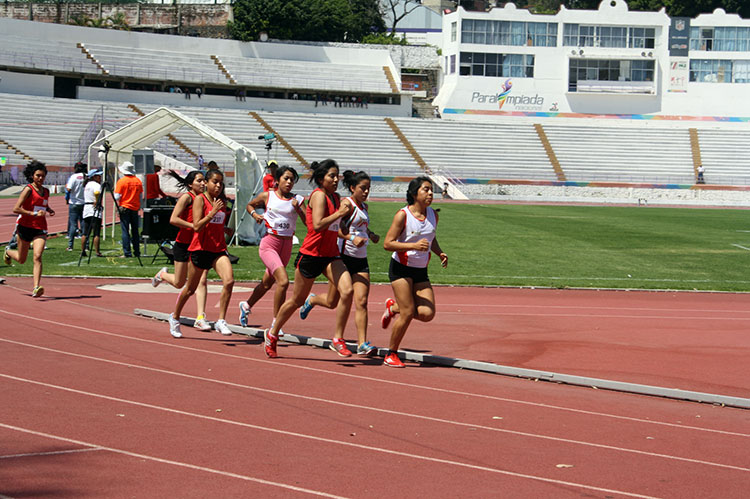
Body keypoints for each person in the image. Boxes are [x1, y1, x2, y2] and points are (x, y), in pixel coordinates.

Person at [263, 159, 354, 359]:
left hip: (330, 255)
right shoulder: (318, 196)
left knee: (347, 290)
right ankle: (272, 333)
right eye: (332, 175)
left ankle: (338, 338)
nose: (336, 179)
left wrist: (345, 225)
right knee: (296, 300)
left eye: (337, 175)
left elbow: (335, 226)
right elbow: (318, 225)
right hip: (311, 255)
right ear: (321, 178)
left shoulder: (336, 197)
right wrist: (339, 213)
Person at [298, 170, 380, 356]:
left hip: (360, 259)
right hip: (342, 258)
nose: (366, 192)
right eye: (363, 188)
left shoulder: (364, 207)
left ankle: (362, 343)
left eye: (368, 188)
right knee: (332, 301)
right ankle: (312, 300)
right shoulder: (346, 204)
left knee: (362, 301)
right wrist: (351, 237)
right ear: (352, 188)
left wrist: (370, 235)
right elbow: (336, 229)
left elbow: (361, 228)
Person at [380, 176, 448, 368]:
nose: (430, 193)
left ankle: (393, 307)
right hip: (401, 269)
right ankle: (391, 353)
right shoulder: (403, 215)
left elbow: (431, 238)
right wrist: (413, 245)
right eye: (425, 189)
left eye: (431, 190)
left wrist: (439, 252)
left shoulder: (434, 215)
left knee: (427, 313)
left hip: (420, 270)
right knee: (408, 312)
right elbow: (387, 244)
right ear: (414, 193)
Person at [168, 169, 234, 338]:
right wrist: (211, 214)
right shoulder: (199, 200)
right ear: (208, 182)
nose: (218, 186)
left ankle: (221, 320)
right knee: (189, 288)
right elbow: (197, 226)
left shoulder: (221, 202)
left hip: (218, 249)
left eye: (221, 183)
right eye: (215, 182)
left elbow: (217, 224)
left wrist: (225, 229)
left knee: (229, 281)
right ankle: (175, 317)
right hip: (200, 249)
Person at [238, 166, 305, 332]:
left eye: (292, 179)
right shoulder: (268, 196)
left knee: (267, 283)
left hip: (287, 245)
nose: (289, 182)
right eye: (286, 178)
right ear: (278, 180)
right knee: (282, 281)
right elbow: (250, 205)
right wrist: (255, 215)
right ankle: (276, 323)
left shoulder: (298, 199)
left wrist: (298, 208)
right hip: (270, 244)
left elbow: (308, 222)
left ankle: (246, 305)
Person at [153, 170, 211, 332]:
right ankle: (162, 275)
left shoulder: (206, 199)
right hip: (183, 243)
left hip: (199, 244)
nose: (202, 183)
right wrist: (193, 226)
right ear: (190, 184)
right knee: (179, 283)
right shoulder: (187, 198)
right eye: (199, 181)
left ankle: (201, 317)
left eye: (204, 180)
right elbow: (174, 219)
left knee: (202, 280)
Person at [3, 161, 56, 297]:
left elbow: (43, 204)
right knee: (21, 259)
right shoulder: (28, 189)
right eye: (38, 175)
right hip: (25, 226)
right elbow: (16, 208)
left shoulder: (46, 191)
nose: (40, 178)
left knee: (37, 256)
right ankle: (8, 252)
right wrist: (32, 213)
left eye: (43, 176)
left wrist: (49, 209)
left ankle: (36, 287)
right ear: (32, 176)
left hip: (40, 227)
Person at [114, 161, 143, 258]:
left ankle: (127, 252)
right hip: (135, 207)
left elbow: (117, 196)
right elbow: (140, 195)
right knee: (135, 231)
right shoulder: (138, 181)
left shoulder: (122, 181)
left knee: (125, 230)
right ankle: (137, 251)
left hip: (125, 206)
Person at [80, 169, 103, 257]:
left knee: (85, 232)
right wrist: (97, 201)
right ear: (94, 177)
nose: (100, 178)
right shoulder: (96, 185)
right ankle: (97, 251)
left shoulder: (86, 185)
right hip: (94, 208)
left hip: (86, 208)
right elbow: (97, 192)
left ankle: (83, 251)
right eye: (98, 176)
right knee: (96, 232)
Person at [65, 162, 87, 251]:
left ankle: (70, 245)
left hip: (74, 202)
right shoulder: (86, 176)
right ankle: (86, 246)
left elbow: (69, 189)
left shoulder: (73, 177)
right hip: (84, 202)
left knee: (73, 225)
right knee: (84, 225)